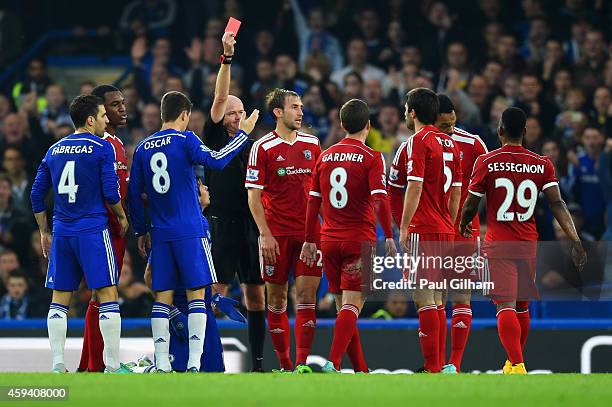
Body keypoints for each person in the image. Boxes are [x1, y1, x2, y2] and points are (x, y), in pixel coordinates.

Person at [128, 91, 258, 373]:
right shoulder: (185, 139)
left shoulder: (142, 147)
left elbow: (133, 195)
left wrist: (141, 231)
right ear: (185, 115)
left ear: (163, 114)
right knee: (197, 294)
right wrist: (243, 134)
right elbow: (217, 160)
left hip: (160, 233)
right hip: (189, 230)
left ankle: (162, 364)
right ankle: (195, 364)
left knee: (163, 297)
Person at [459, 107, 587, 374]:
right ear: (526, 132)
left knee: (504, 305)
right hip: (528, 243)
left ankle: (517, 364)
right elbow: (558, 204)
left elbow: (472, 202)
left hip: (499, 243)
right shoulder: (542, 163)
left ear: (500, 131)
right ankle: (512, 362)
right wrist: (575, 239)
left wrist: (462, 223)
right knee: (522, 305)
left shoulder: (486, 161)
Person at [30, 94, 130, 373]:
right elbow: (111, 191)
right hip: (93, 231)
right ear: (90, 120)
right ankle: (111, 366)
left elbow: (36, 195)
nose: (106, 120)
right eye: (102, 116)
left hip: (62, 231)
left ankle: (58, 364)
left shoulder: (54, 150)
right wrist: (122, 216)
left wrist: (43, 231)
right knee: (107, 293)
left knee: (60, 298)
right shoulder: (102, 148)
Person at [300, 98, 396, 373]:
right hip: (358, 240)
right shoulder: (372, 157)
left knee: (345, 309)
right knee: (353, 307)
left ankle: (361, 370)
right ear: (368, 125)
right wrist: (388, 235)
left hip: (328, 240)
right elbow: (380, 199)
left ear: (342, 125)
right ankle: (334, 362)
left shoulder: (325, 156)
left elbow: (313, 202)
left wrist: (309, 239)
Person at [202, 31, 266, 372]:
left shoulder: (253, 144)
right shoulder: (213, 138)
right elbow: (219, 96)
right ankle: (209, 360)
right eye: (231, 113)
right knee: (215, 294)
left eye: (240, 112)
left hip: (251, 228)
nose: (237, 117)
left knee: (257, 296)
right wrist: (227, 58)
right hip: (222, 224)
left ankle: (257, 365)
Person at [246, 88, 322, 373]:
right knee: (276, 298)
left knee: (306, 296)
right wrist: (264, 234)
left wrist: (320, 232)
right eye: (294, 107)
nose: (300, 112)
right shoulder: (262, 147)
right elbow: (253, 197)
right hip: (274, 236)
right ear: (278, 112)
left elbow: (321, 192)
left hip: (308, 236)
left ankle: (301, 363)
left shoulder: (313, 144)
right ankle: (285, 364)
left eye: (301, 107)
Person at [395, 88, 462, 373]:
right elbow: (458, 192)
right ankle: (438, 365)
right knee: (437, 298)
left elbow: (415, 184)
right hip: (446, 228)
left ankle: (432, 366)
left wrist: (405, 225)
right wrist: (451, 223)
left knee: (424, 296)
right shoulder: (451, 144)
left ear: (412, 111)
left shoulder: (417, 142)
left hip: (423, 227)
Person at [433, 94, 488, 373]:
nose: (450, 130)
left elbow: (492, 184)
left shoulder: (474, 143)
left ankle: (454, 363)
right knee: (435, 297)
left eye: (453, 124)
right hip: (433, 227)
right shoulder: (421, 142)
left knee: (460, 294)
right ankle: (436, 362)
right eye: (444, 126)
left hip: (464, 228)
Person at [78, 84, 129, 373]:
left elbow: (119, 185)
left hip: (115, 231)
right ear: (100, 112)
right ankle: (97, 366)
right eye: (114, 105)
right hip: (103, 229)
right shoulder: (99, 146)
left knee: (100, 296)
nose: (121, 108)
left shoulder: (117, 143)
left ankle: (88, 364)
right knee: (102, 296)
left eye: (122, 103)